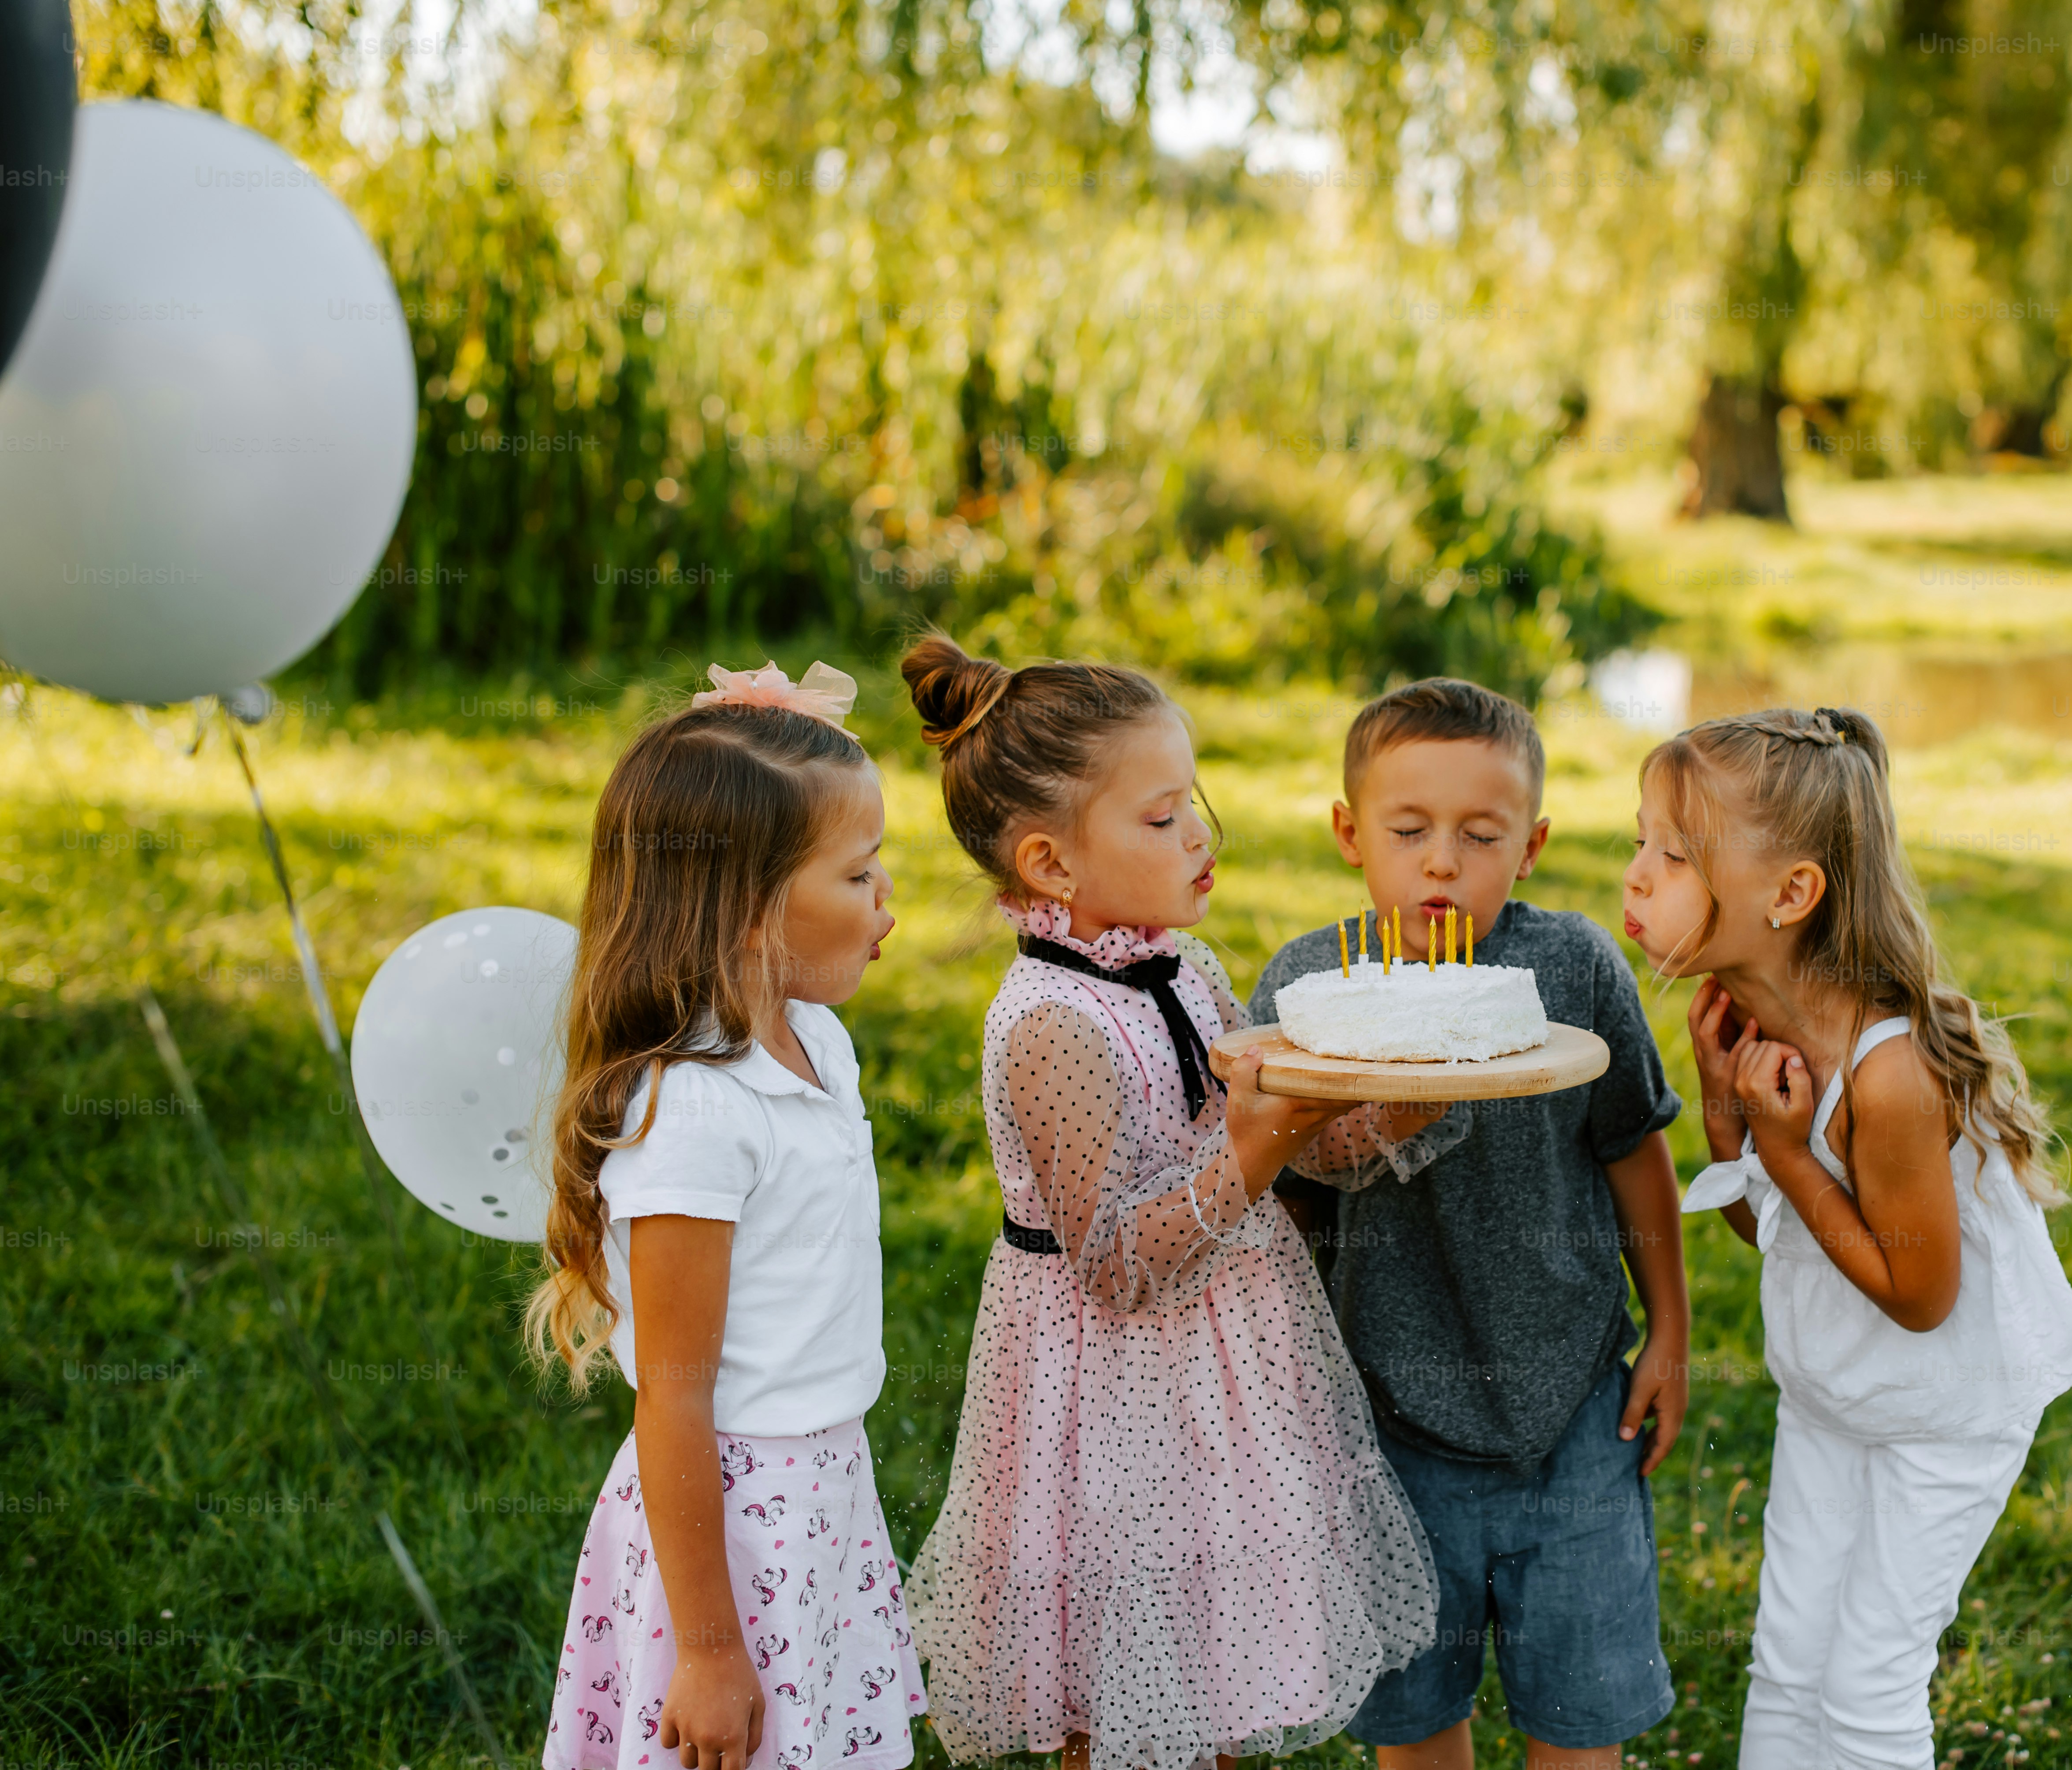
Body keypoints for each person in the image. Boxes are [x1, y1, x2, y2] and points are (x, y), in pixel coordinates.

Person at [895, 633, 1437, 1770]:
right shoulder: (1052, 1024)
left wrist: (1399, 1100)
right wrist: (1265, 1138)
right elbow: (1115, 1263)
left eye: (1193, 801)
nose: (1197, 832)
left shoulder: (1183, 967)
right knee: (1120, 1680)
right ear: (1049, 864)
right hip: (1106, 1394)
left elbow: (1271, 1141)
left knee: (1211, 1671)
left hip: (1222, 1374)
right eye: (1158, 817)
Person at [1626, 706, 2072, 1770]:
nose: (1635, 876)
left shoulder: (1889, 1071)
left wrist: (1791, 1152)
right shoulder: (1750, 1022)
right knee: (1787, 1657)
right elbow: (1780, 1236)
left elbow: (1918, 1293)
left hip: (1944, 1416)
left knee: (1866, 1682)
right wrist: (1724, 1114)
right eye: (1639, 846)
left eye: (1672, 855)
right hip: (1835, 1393)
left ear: (1790, 895)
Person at [1249, 677, 1689, 1766]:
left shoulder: (1573, 968)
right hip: (1386, 1421)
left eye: (1480, 834)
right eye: (1408, 831)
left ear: (1530, 843)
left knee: (1580, 1723)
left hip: (1575, 1407)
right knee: (1415, 1721)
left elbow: (1631, 1144)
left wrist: (1670, 1330)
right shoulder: (1309, 988)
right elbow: (1281, 1201)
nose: (1441, 861)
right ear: (1350, 833)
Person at [531, 661, 926, 1770]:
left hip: (821, 1487)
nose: (885, 896)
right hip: (733, 1517)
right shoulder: (694, 1113)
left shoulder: (816, 1043)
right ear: (749, 911)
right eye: (856, 873)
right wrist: (708, 1650)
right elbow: (676, 1391)